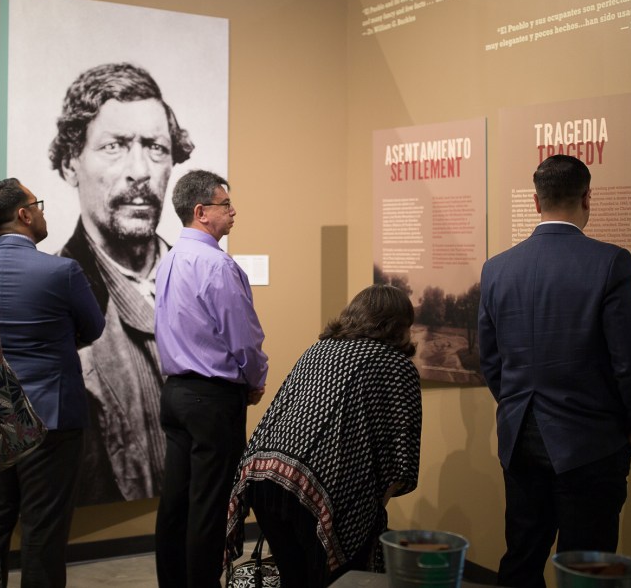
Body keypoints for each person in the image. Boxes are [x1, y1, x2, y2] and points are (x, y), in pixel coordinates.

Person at [478, 154, 631, 588]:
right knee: (586, 571)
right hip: (590, 441)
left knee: (521, 559)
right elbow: (630, 360)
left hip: (520, 439)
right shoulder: (611, 262)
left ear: (536, 202)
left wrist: (520, 404)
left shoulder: (497, 268)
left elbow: (490, 359)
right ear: (588, 197)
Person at [49, 62, 195, 504]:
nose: (140, 171)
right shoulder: (56, 297)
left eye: (155, 147)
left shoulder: (198, 279)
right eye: (114, 146)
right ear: (71, 163)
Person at [0, 179, 105, 588]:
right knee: (44, 536)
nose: (41, 211)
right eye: (36, 204)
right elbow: (93, 328)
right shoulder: (62, 271)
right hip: (51, 419)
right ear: (24, 214)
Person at [225, 284, 422, 587]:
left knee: (294, 577)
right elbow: (401, 460)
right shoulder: (395, 365)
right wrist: (368, 511)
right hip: (320, 493)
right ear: (400, 325)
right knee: (334, 579)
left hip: (261, 475)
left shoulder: (319, 349)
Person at [153, 169, 268, 588]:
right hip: (212, 398)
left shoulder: (168, 260)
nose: (233, 210)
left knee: (176, 504)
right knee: (210, 506)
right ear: (201, 212)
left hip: (176, 394)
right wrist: (255, 379)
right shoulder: (217, 265)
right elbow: (244, 338)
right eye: (225, 204)